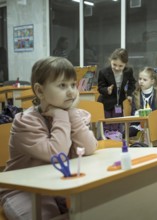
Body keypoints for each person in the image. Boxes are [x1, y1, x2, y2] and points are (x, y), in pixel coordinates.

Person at [0, 56, 98, 220]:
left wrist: (71, 113)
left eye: (73, 85)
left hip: (59, 184)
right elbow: (57, 153)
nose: (71, 91)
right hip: (24, 189)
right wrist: (61, 115)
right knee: (46, 216)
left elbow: (89, 148)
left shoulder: (72, 114)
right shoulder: (26, 121)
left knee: (94, 210)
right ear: (40, 91)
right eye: (62, 85)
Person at [97, 48, 136, 131]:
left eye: (120, 66)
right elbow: (100, 88)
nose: (117, 68)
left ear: (125, 64)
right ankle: (107, 140)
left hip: (119, 103)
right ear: (111, 60)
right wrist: (107, 90)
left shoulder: (128, 71)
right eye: (114, 64)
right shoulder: (103, 72)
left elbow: (132, 83)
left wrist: (129, 94)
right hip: (106, 103)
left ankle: (116, 140)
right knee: (106, 124)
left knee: (117, 125)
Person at [129, 67, 157, 137]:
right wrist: (138, 113)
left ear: (152, 81)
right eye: (140, 79)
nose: (141, 81)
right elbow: (133, 114)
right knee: (127, 133)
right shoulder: (135, 94)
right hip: (139, 125)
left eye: (144, 80)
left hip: (154, 124)